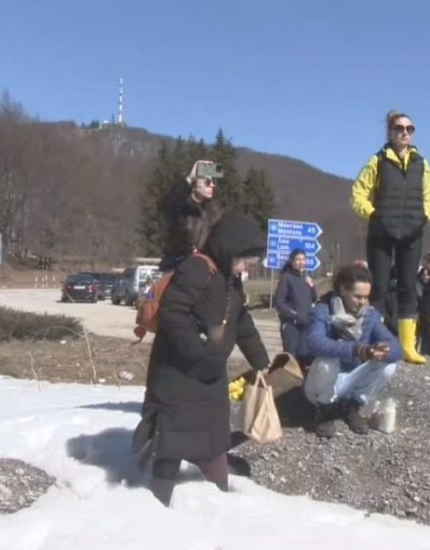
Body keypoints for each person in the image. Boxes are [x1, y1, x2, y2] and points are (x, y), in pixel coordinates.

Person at [133, 212, 270, 506]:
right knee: (172, 440)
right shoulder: (197, 269)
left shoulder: (230, 279)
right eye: (246, 261)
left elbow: (240, 320)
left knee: (213, 437)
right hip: (178, 372)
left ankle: (220, 499)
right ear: (231, 248)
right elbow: (173, 314)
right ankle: (157, 503)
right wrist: (198, 353)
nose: (247, 267)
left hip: (209, 374)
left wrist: (259, 358)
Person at [351, 110, 430, 365]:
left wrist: (424, 216)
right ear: (390, 132)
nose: (404, 133)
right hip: (382, 232)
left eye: (409, 129)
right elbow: (358, 194)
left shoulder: (422, 163)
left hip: (412, 233)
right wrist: (374, 214)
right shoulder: (377, 161)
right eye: (399, 128)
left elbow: (428, 197)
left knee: (409, 288)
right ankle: (373, 341)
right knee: (379, 287)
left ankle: (408, 346)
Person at [301, 264, 403, 438]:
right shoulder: (322, 310)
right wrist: (357, 350)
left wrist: (383, 350)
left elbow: (397, 348)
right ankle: (324, 410)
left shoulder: (370, 315)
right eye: (358, 296)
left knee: (389, 365)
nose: (362, 302)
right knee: (327, 361)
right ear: (343, 290)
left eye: (366, 297)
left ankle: (352, 406)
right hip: (322, 381)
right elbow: (315, 343)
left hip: (350, 379)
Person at [158, 160, 224, 271]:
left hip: (204, 266)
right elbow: (169, 203)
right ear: (194, 185)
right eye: (207, 182)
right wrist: (190, 179)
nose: (212, 185)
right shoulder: (180, 206)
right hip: (178, 265)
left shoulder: (214, 210)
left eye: (214, 182)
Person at [274, 249, 317, 360]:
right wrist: (294, 314)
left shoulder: (306, 278)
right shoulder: (286, 278)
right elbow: (279, 302)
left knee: (304, 355)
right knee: (291, 357)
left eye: (303, 259)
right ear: (292, 261)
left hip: (306, 324)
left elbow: (314, 298)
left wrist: (311, 285)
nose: (301, 262)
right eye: (298, 259)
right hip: (291, 325)